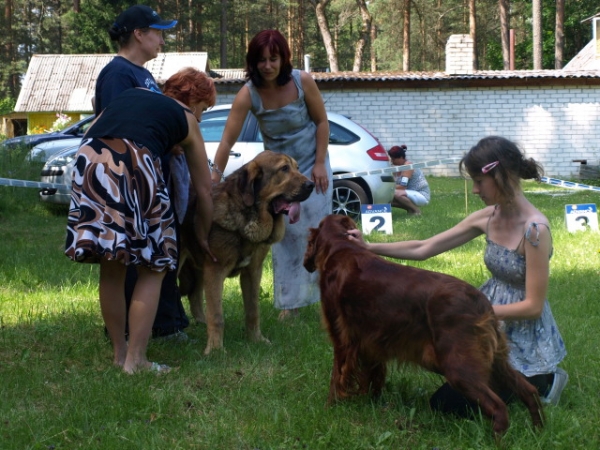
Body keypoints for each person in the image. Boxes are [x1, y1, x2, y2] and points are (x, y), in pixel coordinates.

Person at [347, 136, 568, 412]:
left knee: (446, 404)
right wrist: (368, 246)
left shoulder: (535, 231)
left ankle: (545, 380)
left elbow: (533, 307)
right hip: (484, 322)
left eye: (479, 181)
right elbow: (425, 247)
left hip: (519, 336)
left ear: (500, 176)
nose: (475, 190)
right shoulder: (487, 216)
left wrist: (474, 314)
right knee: (437, 356)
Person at [65, 68, 216, 374]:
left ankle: (120, 355)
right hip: (135, 159)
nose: (201, 117)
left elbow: (92, 133)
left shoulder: (130, 97)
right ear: (194, 99)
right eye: (205, 108)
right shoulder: (186, 118)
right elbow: (204, 188)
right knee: (155, 265)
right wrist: (202, 233)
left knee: (112, 264)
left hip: (89, 158)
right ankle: (137, 360)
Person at [210, 29, 333, 320]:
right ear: (253, 62)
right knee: (286, 235)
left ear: (284, 59)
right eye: (261, 60)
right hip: (279, 177)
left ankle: (327, 298)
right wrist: (213, 178)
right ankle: (289, 304)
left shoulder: (302, 82)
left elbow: (322, 122)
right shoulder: (248, 93)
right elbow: (227, 140)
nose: (267, 66)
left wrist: (318, 163)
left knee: (318, 234)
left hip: (313, 167)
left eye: (273, 59)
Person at [95, 4, 191, 342]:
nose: (162, 40)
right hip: (130, 181)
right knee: (136, 260)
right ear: (139, 34)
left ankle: (159, 326)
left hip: (150, 178)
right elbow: (121, 129)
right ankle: (135, 335)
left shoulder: (143, 74)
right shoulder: (119, 74)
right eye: (158, 32)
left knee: (157, 257)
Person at [388, 145, 430, 215]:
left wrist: (388, 189)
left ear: (401, 157)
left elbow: (402, 186)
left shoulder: (408, 166)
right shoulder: (396, 168)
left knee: (395, 194)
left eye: (393, 159)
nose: (392, 161)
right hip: (409, 193)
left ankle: (416, 211)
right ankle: (410, 209)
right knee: (387, 198)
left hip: (421, 195)